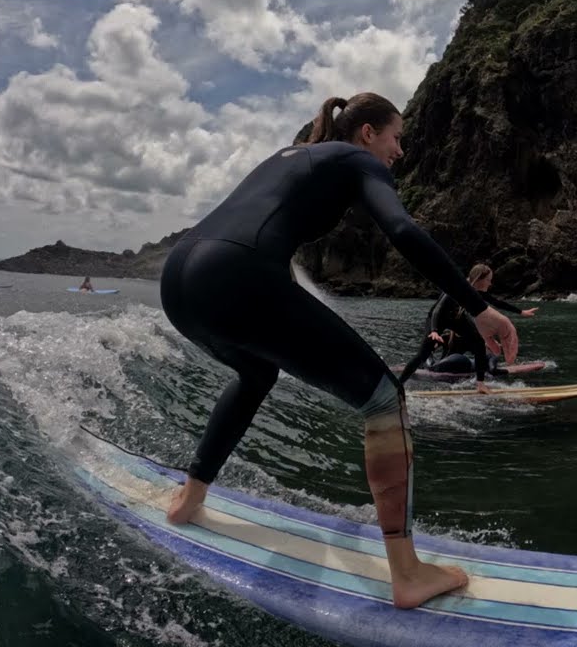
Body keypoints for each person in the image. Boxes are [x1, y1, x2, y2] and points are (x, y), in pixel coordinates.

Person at [158, 92, 519, 610]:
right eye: (396, 137)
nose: (400, 151)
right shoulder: (354, 159)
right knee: (386, 399)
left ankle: (188, 499)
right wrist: (478, 307)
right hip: (234, 273)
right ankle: (408, 574)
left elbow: (259, 230)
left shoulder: (294, 156)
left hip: (179, 277)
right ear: (368, 132)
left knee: (257, 374)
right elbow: (402, 229)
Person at [397, 264, 538, 392]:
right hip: (438, 319)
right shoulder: (457, 286)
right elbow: (437, 310)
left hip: (458, 318)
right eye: (488, 280)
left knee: (478, 342)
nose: (490, 283)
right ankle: (398, 385)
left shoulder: (477, 292)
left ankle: (480, 384)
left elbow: (497, 302)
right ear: (479, 279)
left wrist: (521, 312)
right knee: (423, 353)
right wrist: (434, 331)